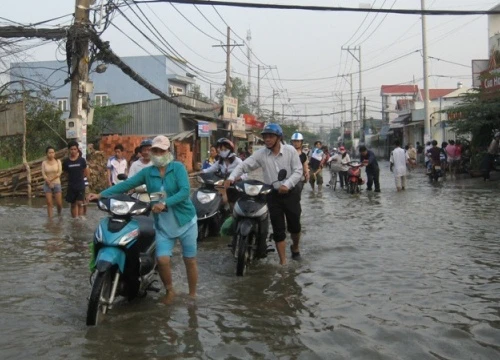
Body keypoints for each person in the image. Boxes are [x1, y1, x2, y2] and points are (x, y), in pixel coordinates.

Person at [88, 135, 198, 303]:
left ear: (168, 151)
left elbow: (184, 192)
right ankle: (170, 291)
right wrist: (101, 194)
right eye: (155, 150)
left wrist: (164, 202)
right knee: (162, 260)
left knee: (189, 260)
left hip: (185, 221)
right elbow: (126, 184)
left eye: (162, 150)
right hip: (163, 225)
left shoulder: (178, 168)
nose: (158, 153)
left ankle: (192, 295)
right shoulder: (148, 172)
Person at [224, 123, 303, 265]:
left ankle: (295, 248)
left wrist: (287, 184)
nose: (267, 139)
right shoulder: (261, 154)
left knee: (295, 227)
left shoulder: (291, 151)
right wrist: (231, 178)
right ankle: (283, 263)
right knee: (278, 230)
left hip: (290, 193)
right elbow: (244, 165)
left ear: (279, 138)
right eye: (265, 136)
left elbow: (298, 171)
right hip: (273, 194)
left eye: (271, 136)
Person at [201, 138, 246, 204]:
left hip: (234, 186)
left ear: (231, 150)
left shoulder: (237, 161)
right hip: (223, 184)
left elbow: (245, 175)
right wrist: (200, 172)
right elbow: (210, 169)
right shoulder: (220, 161)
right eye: (221, 150)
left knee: (233, 203)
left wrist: (233, 179)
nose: (222, 151)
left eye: (225, 150)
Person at [62, 141, 89, 218]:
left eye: (75, 149)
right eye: (71, 149)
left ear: (77, 150)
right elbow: (65, 173)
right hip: (71, 186)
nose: (73, 151)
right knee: (73, 204)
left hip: (80, 185)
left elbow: (86, 172)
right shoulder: (66, 162)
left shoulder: (82, 160)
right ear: (69, 150)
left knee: (80, 203)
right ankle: (74, 220)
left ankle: (80, 220)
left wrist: (80, 178)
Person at [41, 146, 63, 217]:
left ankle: (59, 214)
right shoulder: (44, 163)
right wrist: (48, 181)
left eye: (53, 152)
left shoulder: (58, 161)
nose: (51, 154)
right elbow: (43, 174)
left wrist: (51, 180)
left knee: (59, 203)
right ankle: (50, 219)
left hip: (56, 183)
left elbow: (59, 173)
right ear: (46, 154)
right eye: (49, 153)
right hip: (47, 184)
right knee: (49, 203)